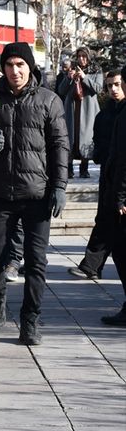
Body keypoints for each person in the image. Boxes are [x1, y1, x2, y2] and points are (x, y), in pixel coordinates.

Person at [0, 42, 69, 345]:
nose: (14, 71)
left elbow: (59, 146)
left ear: (30, 66)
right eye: (9, 65)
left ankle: (31, 319)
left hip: (37, 194)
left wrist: (59, 187)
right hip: (0, 192)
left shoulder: (48, 100)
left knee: (36, 260)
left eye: (20, 65)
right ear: (2, 68)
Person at [69, 70, 124, 280]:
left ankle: (91, 265)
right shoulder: (104, 114)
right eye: (110, 85)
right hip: (109, 174)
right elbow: (99, 142)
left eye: (117, 84)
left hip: (122, 175)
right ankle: (91, 265)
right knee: (104, 218)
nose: (113, 89)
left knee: (110, 222)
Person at [99, 64, 126, 326]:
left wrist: (119, 197)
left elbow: (123, 160)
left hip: (122, 197)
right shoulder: (115, 112)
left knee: (120, 249)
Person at [58, 47, 102, 179]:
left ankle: (84, 169)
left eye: (84, 56)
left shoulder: (96, 70)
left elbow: (98, 89)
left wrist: (85, 77)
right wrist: (69, 78)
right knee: (70, 137)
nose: (81, 59)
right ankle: (69, 169)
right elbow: (61, 90)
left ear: (89, 57)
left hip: (88, 110)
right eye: (79, 56)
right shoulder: (71, 69)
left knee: (86, 137)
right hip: (72, 109)